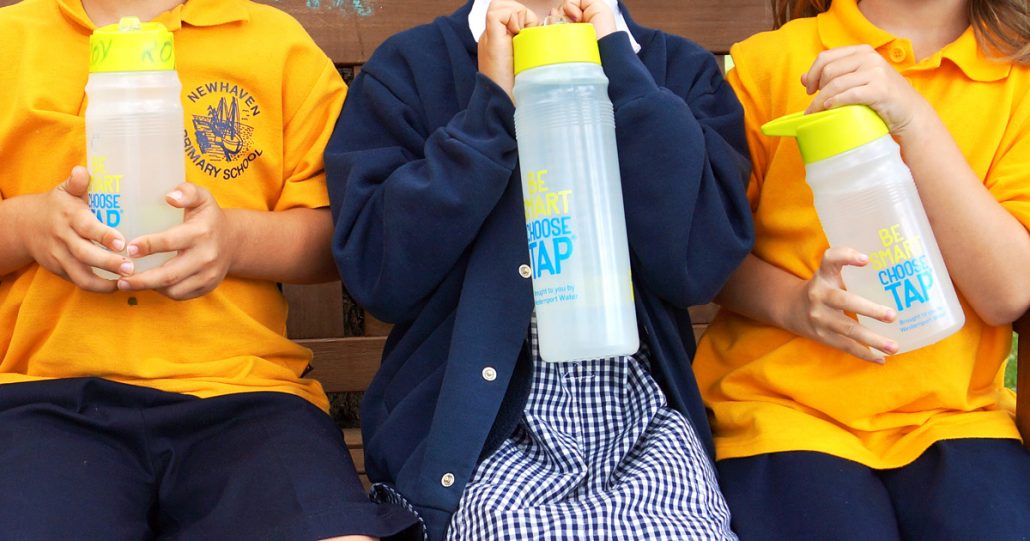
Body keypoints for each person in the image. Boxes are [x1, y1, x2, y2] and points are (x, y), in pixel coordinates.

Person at [325, 0, 754, 538]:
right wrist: (489, 111)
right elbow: (379, 272)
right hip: (478, 447)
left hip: (643, 431)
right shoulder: (410, 69)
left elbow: (698, 264)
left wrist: (620, 73)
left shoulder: (675, 70)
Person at [0, 0, 416, 538]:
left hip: (246, 401)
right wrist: (26, 227)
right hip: (43, 402)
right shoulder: (12, 40)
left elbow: (341, 237)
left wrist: (234, 241)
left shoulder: (273, 45)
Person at [692, 0, 1030, 538]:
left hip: (954, 418)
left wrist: (915, 121)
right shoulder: (773, 64)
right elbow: (708, 253)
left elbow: (1008, 291)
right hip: (784, 413)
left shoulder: (1017, 83)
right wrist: (794, 304)